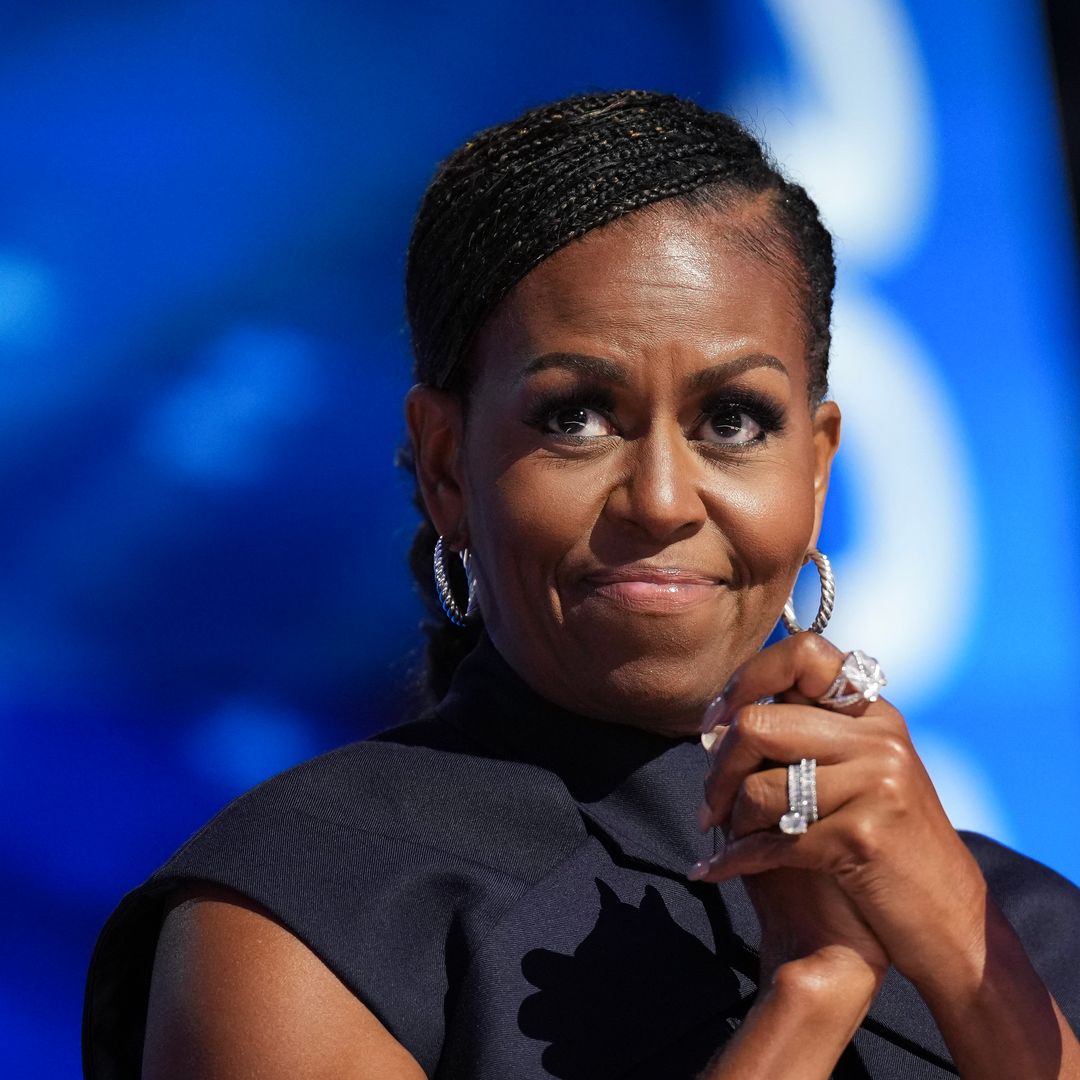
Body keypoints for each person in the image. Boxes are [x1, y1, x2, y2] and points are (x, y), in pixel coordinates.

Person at [83, 90, 1080, 1079]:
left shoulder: (1032, 924)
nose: (659, 499)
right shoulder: (312, 907)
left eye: (732, 419)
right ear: (444, 468)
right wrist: (807, 1004)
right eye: (576, 417)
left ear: (815, 471)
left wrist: (960, 946)